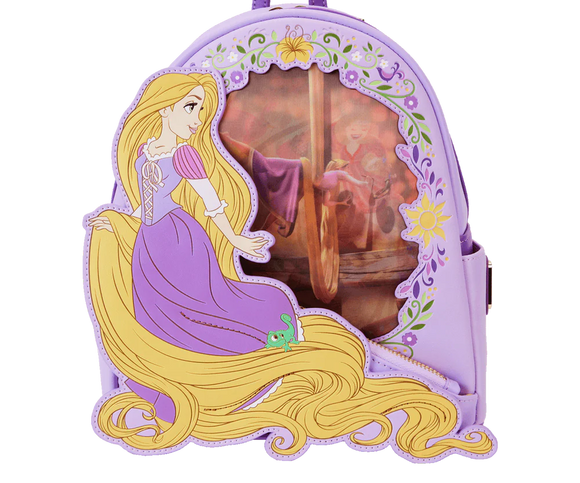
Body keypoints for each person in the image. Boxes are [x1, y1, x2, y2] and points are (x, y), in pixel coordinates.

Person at [85, 72, 494, 461]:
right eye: (190, 107)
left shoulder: (188, 156)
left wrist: (235, 239)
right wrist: (118, 224)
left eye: (201, 109)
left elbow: (211, 201)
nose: (196, 118)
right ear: (164, 107)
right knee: (164, 314)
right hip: (153, 245)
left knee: (218, 309)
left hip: (185, 242)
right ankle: (179, 373)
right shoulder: (145, 152)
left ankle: (259, 363)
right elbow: (141, 205)